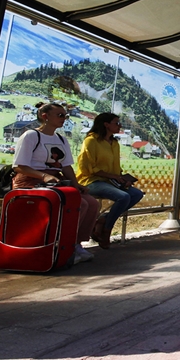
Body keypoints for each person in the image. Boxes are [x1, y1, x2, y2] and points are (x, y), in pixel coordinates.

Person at [12, 102, 101, 263]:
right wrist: (43, 176)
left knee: (92, 203)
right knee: (80, 204)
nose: (64, 118)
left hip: (55, 181)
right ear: (45, 116)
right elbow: (19, 166)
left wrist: (76, 184)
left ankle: (76, 243)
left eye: (65, 115)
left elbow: (66, 166)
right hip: (32, 181)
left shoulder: (61, 138)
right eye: (60, 115)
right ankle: (61, 244)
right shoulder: (31, 136)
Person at [75, 112, 144, 249]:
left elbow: (115, 168)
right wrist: (113, 176)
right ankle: (107, 230)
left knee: (136, 193)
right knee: (123, 196)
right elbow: (87, 167)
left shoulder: (114, 143)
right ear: (106, 124)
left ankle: (103, 220)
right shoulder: (91, 141)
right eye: (116, 123)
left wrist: (122, 179)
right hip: (91, 180)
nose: (120, 125)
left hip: (110, 181)